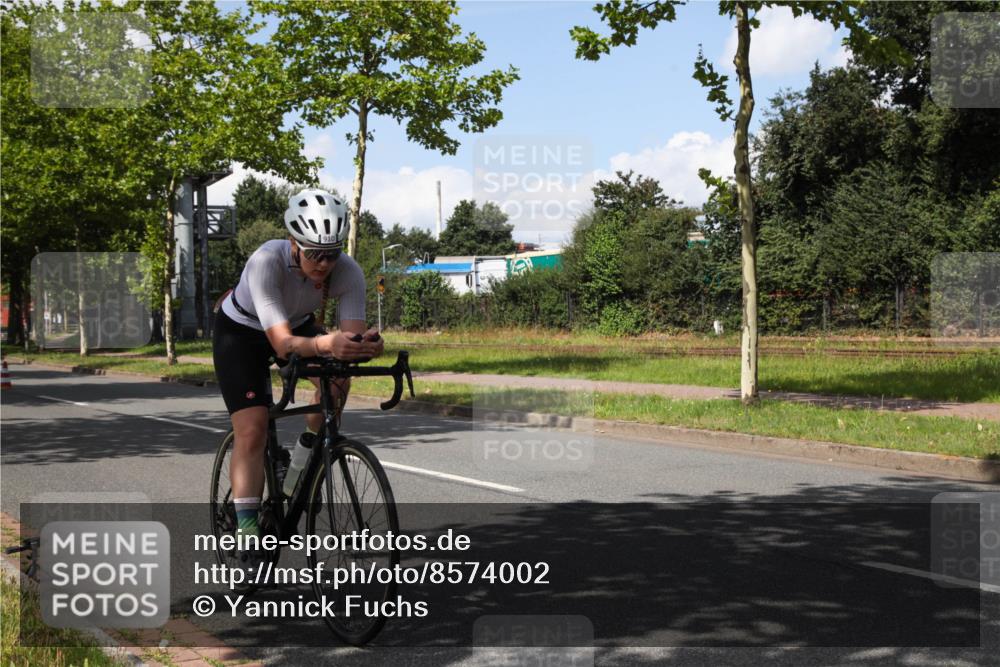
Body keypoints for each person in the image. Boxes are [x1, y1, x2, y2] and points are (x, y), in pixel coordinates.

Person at [212, 188, 383, 560]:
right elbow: (282, 344)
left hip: (296, 325)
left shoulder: (348, 272)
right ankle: (246, 529)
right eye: (314, 254)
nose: (324, 264)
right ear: (293, 242)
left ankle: (306, 460)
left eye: (332, 254)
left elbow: (349, 337)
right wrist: (327, 344)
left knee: (338, 379)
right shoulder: (265, 261)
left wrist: (364, 345)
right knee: (253, 428)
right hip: (242, 333)